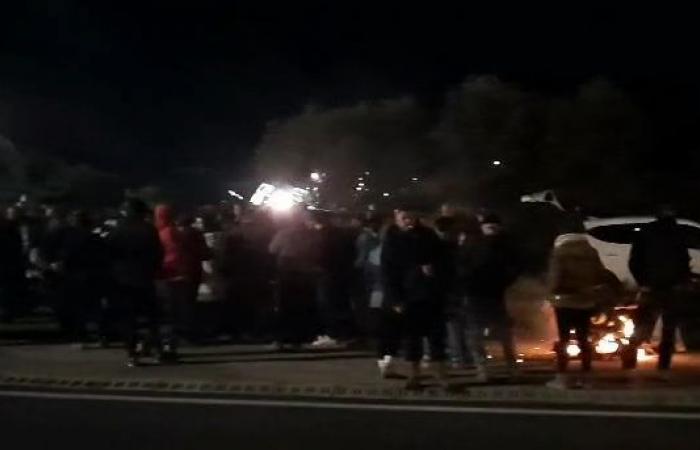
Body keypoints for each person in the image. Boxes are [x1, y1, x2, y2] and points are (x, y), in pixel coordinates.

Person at [381, 207, 447, 388]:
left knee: (436, 337)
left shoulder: (428, 235)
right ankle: (414, 375)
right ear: (396, 218)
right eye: (404, 217)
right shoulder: (392, 239)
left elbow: (445, 261)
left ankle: (440, 374)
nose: (408, 221)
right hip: (408, 296)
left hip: (431, 294)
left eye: (411, 217)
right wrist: (395, 299)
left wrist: (434, 270)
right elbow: (388, 273)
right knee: (412, 338)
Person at [622, 207, 692, 374]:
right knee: (668, 328)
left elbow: (634, 261)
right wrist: (682, 280)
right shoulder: (677, 233)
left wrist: (643, 281)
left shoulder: (646, 232)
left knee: (643, 324)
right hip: (671, 288)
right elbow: (684, 260)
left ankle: (630, 356)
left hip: (651, 287)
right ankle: (663, 366)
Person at [546, 232, 610, 389]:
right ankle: (587, 377)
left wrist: (550, 294)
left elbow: (555, 277)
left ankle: (561, 378)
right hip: (585, 302)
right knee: (584, 340)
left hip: (565, 302)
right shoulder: (591, 252)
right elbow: (601, 274)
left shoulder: (559, 253)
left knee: (564, 340)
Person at [462, 213, 520, 378]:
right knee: (475, 333)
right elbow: (461, 265)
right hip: (475, 294)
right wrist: (467, 283)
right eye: (489, 227)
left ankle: (512, 366)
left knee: (504, 332)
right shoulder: (472, 244)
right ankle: (482, 367)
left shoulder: (506, 245)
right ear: (482, 227)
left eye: (495, 227)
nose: (492, 230)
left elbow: (515, 266)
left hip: (496, 294)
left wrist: (505, 281)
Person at [108, 199, 164, 367]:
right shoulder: (149, 230)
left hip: (123, 280)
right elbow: (158, 253)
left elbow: (109, 255)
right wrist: (153, 270)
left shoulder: (117, 231)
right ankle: (156, 350)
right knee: (151, 318)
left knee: (128, 319)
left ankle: (132, 354)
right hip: (145, 277)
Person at [56, 210, 108, 345]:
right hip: (92, 276)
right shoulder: (94, 238)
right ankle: (101, 333)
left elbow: (66, 257)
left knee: (76, 308)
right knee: (94, 308)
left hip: (74, 276)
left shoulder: (68, 238)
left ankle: (79, 334)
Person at [268, 211, 315, 351]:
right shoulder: (309, 235)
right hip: (303, 272)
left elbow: (272, 249)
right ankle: (297, 340)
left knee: (283, 307)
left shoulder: (283, 233)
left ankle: (280, 340)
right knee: (299, 308)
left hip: (286, 271)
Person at [308, 211, 355, 348]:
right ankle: (346, 335)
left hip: (327, 273)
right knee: (341, 304)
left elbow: (320, 254)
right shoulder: (341, 234)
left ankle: (334, 335)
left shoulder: (323, 236)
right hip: (341, 273)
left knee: (328, 305)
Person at [0, 212, 25, 322]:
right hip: (9, 265)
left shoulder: (10, 233)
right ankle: (8, 312)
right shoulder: (12, 232)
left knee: (7, 290)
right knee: (7, 290)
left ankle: (7, 312)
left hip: (8, 265)